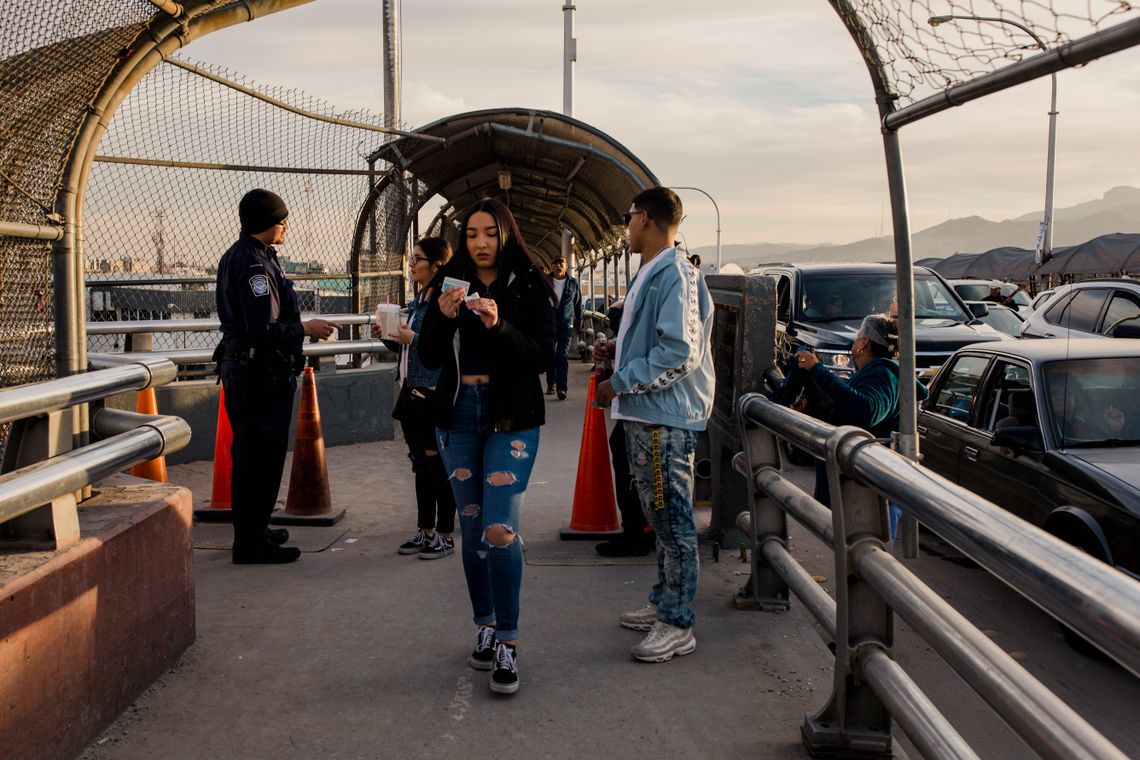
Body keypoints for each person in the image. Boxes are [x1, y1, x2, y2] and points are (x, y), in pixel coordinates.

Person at [417, 198, 555, 696]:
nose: (480, 243)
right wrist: (444, 317)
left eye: (490, 233)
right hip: (457, 416)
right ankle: (485, 622)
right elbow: (428, 356)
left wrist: (499, 326)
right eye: (472, 233)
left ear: (505, 235)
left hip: (512, 418)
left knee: (500, 528)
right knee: (473, 526)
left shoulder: (528, 284)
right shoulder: (448, 285)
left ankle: (508, 642)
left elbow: (543, 355)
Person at [595, 187, 715, 663]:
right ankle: (664, 601)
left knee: (673, 520)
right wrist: (617, 354)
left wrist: (620, 382)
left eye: (628, 217)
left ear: (644, 217)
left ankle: (677, 622)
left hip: (664, 419)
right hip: (649, 416)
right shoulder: (654, 272)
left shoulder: (678, 274)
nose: (626, 226)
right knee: (661, 519)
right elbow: (656, 344)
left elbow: (680, 353)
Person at [214, 188, 337, 564]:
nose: (286, 225)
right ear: (268, 222)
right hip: (259, 375)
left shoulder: (248, 257)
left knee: (252, 456)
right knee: (260, 460)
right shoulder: (254, 266)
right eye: (282, 219)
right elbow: (262, 330)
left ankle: (254, 527)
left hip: (248, 371)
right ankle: (251, 544)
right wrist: (305, 328)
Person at [795, 313, 929, 539]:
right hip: (869, 481)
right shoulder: (878, 373)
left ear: (864, 342)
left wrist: (819, 369)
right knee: (860, 554)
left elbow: (867, 411)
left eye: (858, 336)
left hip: (871, 483)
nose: (854, 342)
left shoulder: (882, 373)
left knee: (869, 554)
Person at [373, 237, 457, 560]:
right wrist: (390, 337)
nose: (411, 264)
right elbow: (408, 347)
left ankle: (445, 534)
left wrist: (414, 336)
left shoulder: (444, 301)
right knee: (420, 465)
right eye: (412, 258)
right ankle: (426, 530)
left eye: (417, 259)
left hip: (431, 393)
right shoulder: (419, 299)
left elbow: (441, 347)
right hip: (410, 391)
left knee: (437, 466)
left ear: (436, 265)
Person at [593, 297, 654, 558]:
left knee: (636, 464)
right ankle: (636, 529)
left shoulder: (668, 277)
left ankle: (641, 532)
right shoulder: (647, 275)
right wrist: (615, 347)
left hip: (651, 402)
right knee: (623, 451)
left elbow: (669, 347)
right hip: (636, 401)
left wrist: (618, 382)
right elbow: (640, 336)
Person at [545, 254, 582, 401]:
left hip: (566, 324)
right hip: (548, 324)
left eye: (561, 262)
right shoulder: (545, 281)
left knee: (562, 355)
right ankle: (550, 383)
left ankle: (562, 388)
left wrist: (579, 321)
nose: (558, 265)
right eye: (555, 262)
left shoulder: (572, 283)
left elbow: (578, 304)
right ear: (551, 266)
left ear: (566, 266)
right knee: (550, 355)